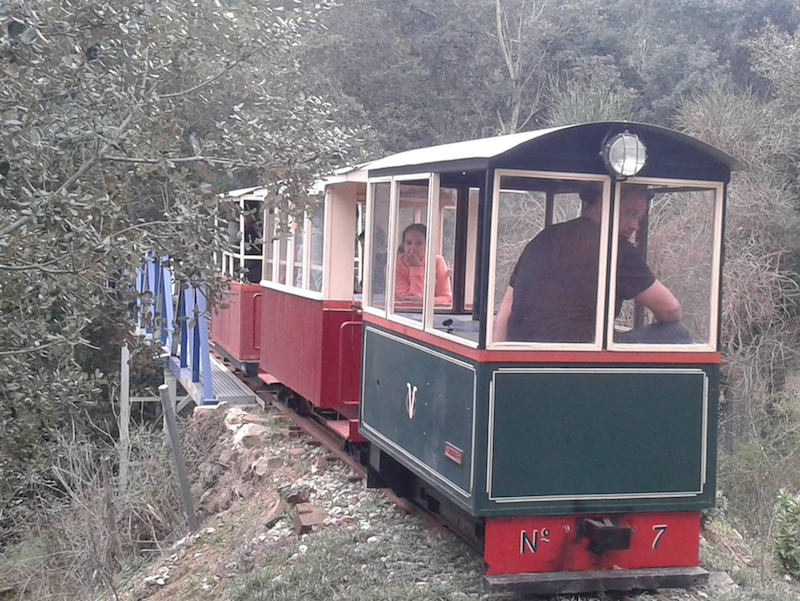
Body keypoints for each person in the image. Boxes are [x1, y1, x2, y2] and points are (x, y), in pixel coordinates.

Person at [493, 183, 688, 343]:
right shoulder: (614, 247)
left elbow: (506, 307)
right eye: (630, 213)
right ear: (605, 204)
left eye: (639, 218)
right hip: (581, 357)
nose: (635, 226)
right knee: (677, 333)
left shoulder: (545, 237)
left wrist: (497, 361)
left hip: (521, 355)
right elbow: (670, 310)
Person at [395, 223, 452, 306]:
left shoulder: (438, 261)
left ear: (428, 245)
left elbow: (446, 297)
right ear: (403, 245)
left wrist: (424, 300)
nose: (413, 248)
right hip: (403, 313)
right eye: (409, 243)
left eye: (418, 243)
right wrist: (415, 268)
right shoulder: (397, 264)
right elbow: (411, 300)